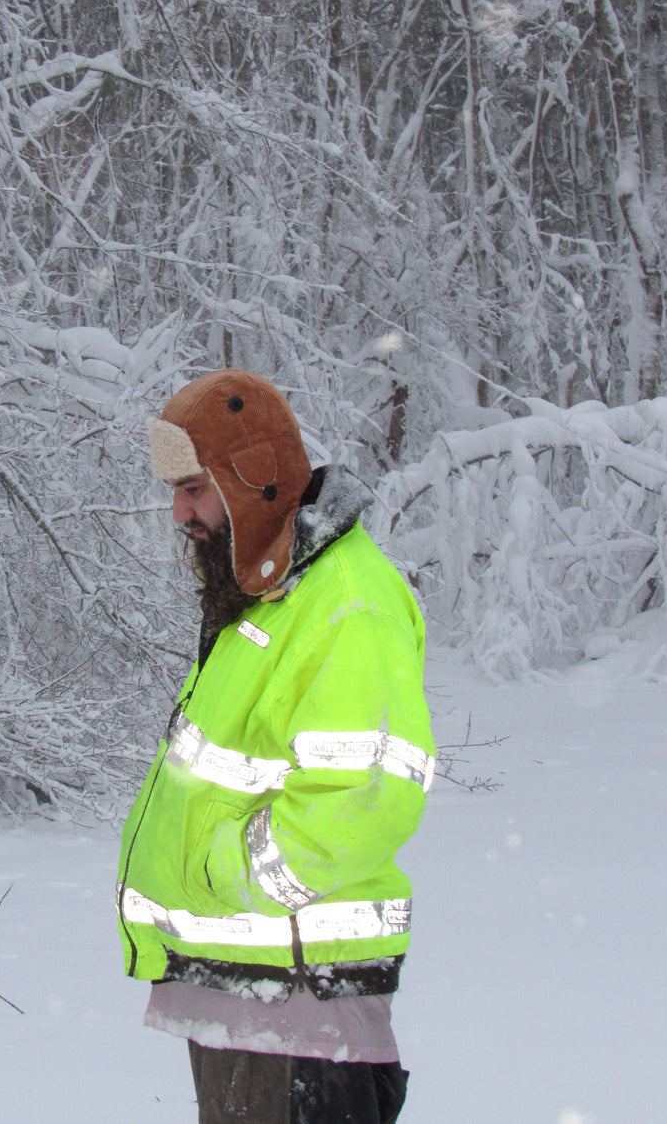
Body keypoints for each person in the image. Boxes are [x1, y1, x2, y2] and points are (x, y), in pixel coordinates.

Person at [117, 369, 435, 1124]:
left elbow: (366, 796)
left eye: (193, 489)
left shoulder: (346, 604)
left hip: (300, 1007)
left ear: (251, 481)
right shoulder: (271, 596)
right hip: (252, 997)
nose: (178, 513)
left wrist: (224, 871)